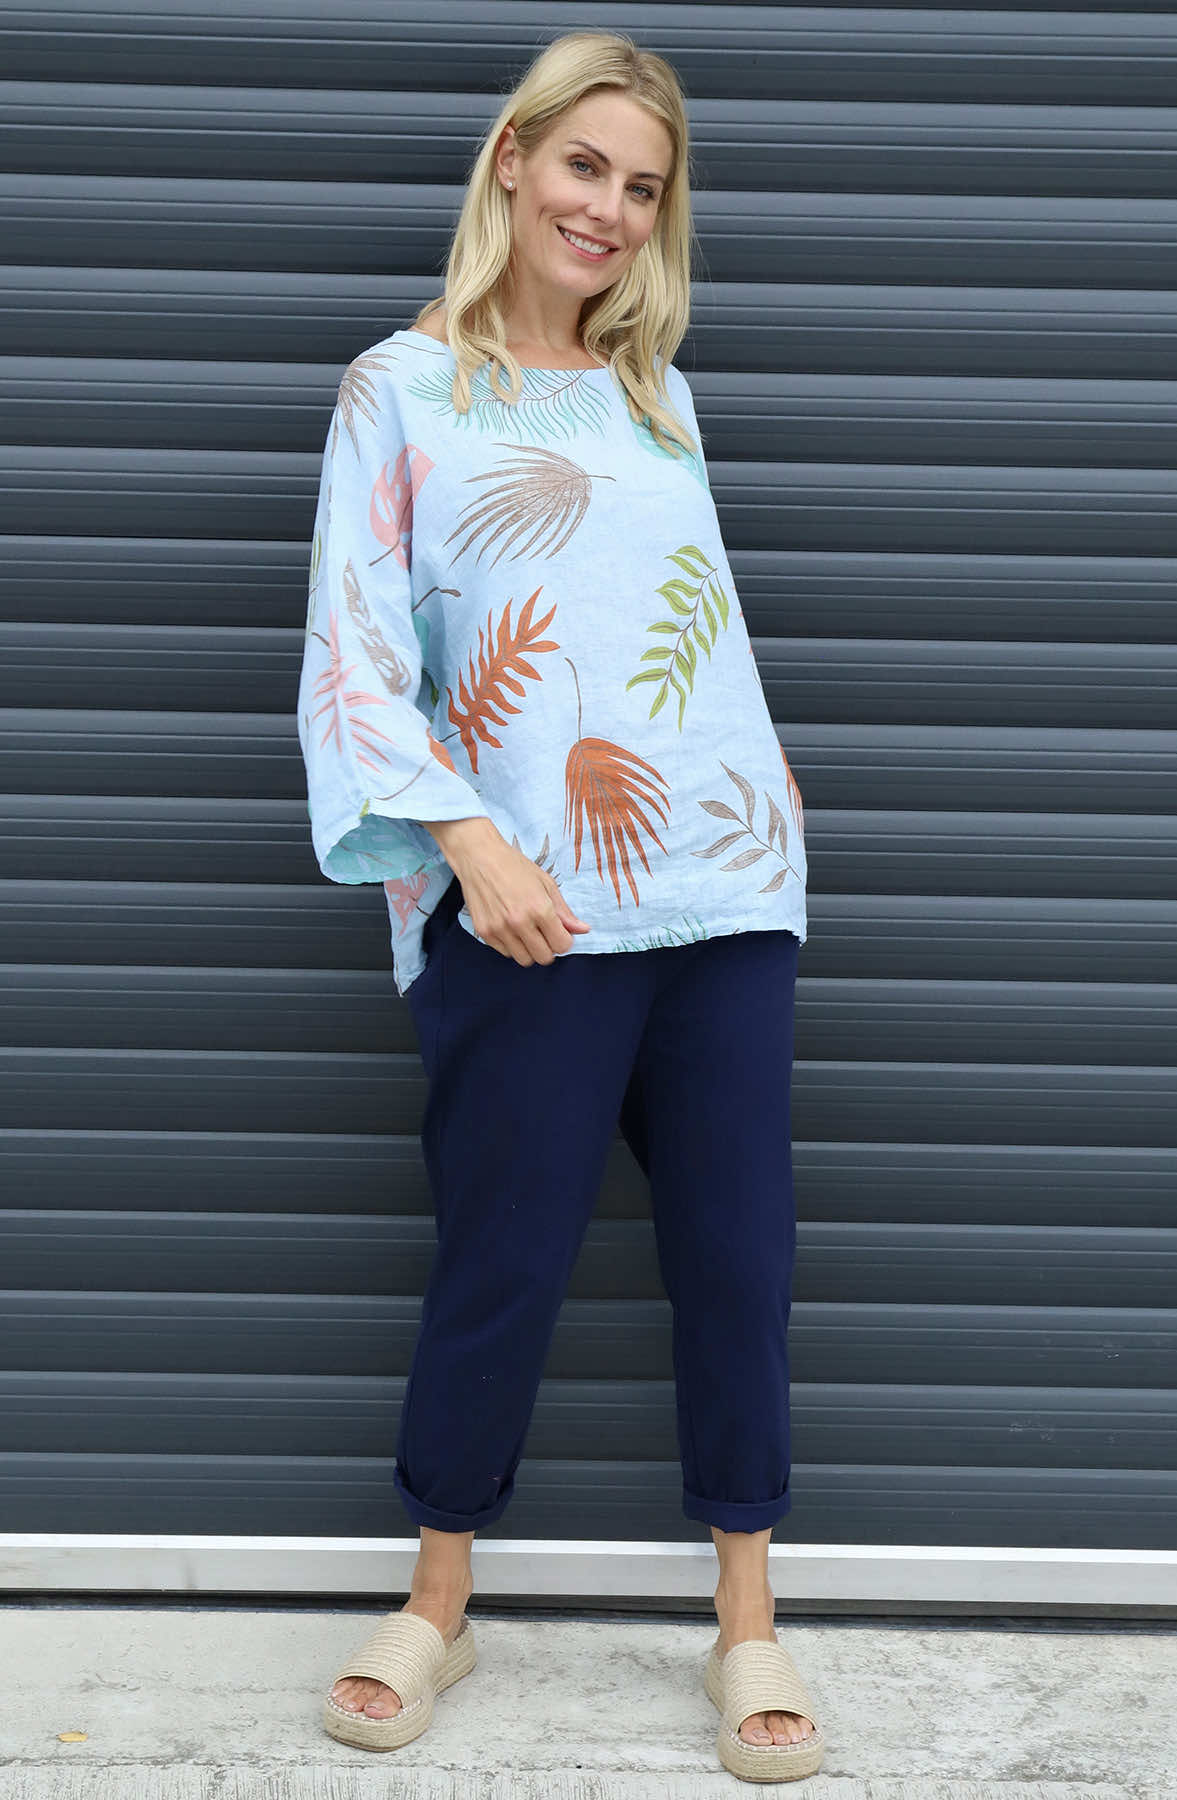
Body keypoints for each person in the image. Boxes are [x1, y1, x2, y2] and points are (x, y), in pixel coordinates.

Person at [297, 28, 825, 1784]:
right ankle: (438, 1597)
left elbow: (693, 625)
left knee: (738, 1259)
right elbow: (358, 654)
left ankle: (746, 1623)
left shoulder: (658, 398)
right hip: (528, 907)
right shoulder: (400, 391)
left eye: (643, 187)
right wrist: (469, 844)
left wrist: (770, 787)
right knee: (502, 1255)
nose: (608, 208)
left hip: (723, 894)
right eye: (585, 165)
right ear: (514, 161)